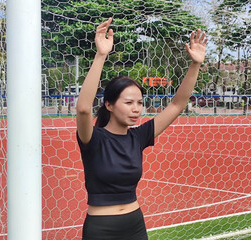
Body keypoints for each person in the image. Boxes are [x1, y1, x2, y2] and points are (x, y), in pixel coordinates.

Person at [76, 17, 207, 240]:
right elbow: (83, 110)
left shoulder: (138, 136)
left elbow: (177, 105)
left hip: (135, 224)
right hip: (100, 229)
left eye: (139, 103)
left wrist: (195, 64)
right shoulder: (93, 139)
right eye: (128, 103)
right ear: (109, 105)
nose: (136, 109)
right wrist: (101, 55)